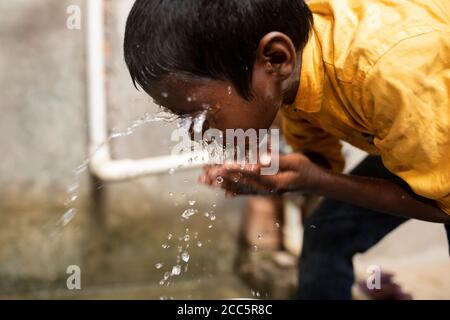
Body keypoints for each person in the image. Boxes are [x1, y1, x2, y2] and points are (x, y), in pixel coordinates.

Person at [123, 0, 450, 299]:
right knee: (328, 234)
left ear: (276, 57)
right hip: (434, 145)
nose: (192, 133)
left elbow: (443, 205)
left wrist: (316, 180)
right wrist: (281, 178)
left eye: (198, 112)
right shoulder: (293, 71)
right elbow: (321, 160)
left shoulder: (388, 71)